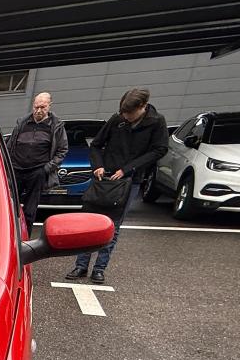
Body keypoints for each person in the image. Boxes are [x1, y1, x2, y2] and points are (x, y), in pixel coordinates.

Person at [67, 87, 168, 284]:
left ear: (143, 106)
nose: (126, 117)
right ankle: (81, 265)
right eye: (123, 112)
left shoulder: (156, 122)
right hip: (103, 178)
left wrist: (127, 169)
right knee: (89, 222)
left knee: (113, 225)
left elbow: (159, 150)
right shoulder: (117, 119)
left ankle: (99, 268)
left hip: (129, 181)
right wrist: (98, 165)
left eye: (130, 113)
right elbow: (96, 145)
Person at [7, 92, 68, 233]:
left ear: (49, 106)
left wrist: (46, 169)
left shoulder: (56, 126)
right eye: (36, 107)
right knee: (9, 205)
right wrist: (8, 165)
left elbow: (62, 150)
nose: (39, 110)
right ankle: (8, 234)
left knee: (30, 209)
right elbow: (10, 146)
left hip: (37, 172)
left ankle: (25, 237)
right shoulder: (22, 123)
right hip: (16, 170)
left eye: (43, 107)